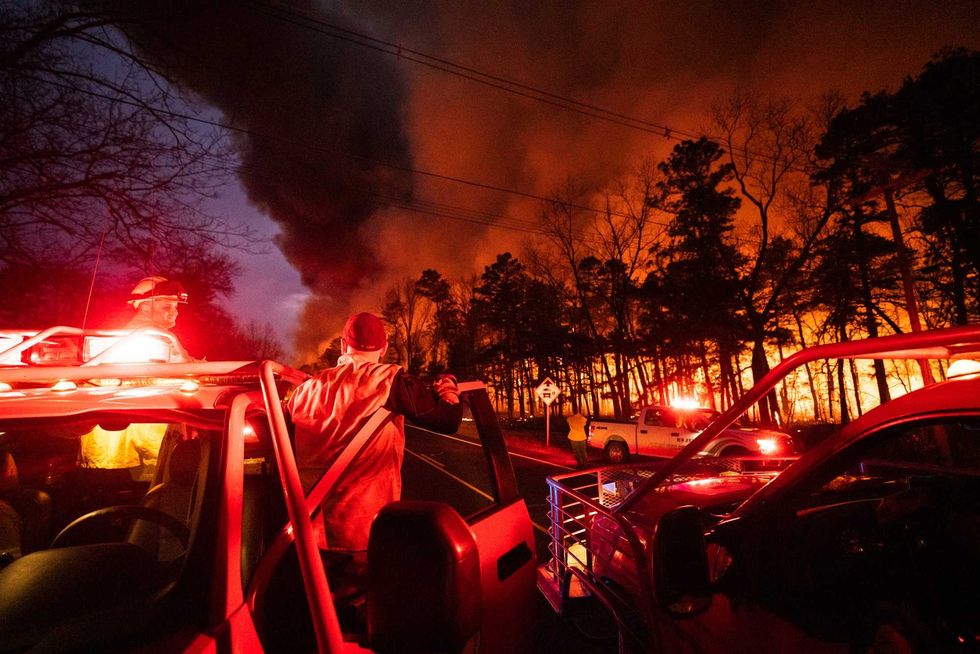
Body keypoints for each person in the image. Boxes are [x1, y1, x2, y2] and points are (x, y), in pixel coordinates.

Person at [286, 312, 462, 584]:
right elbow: (448, 419)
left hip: (307, 535)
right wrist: (448, 388)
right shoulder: (389, 380)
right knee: (364, 616)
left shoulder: (306, 388)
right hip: (364, 535)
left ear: (344, 346)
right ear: (384, 348)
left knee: (317, 612)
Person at [124, 275, 193, 363]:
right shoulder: (149, 335)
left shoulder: (145, 332)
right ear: (146, 309)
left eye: (175, 307)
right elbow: (183, 365)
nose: (175, 312)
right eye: (167, 307)